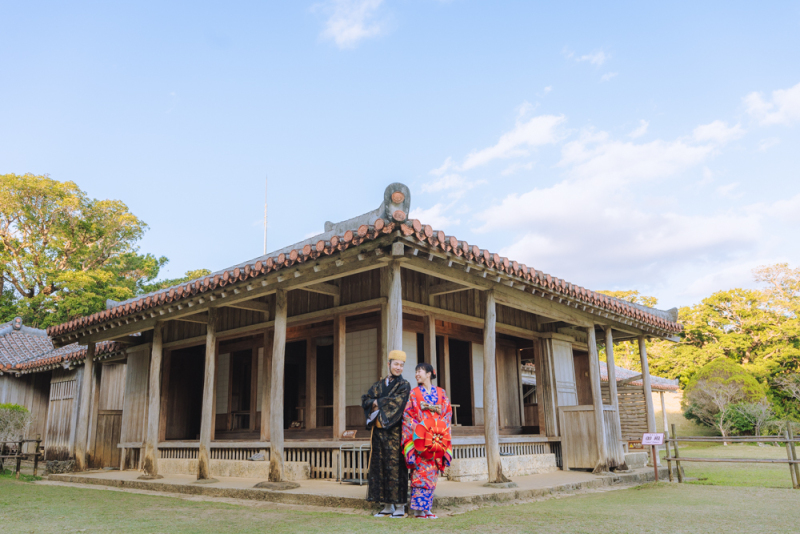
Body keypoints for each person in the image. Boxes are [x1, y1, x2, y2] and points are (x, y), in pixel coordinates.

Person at [361, 349, 411, 518]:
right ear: (389, 364)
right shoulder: (378, 385)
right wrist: (376, 402)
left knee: (396, 468)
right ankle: (387, 505)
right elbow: (366, 399)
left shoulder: (404, 385)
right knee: (380, 467)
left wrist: (377, 402)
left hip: (395, 433)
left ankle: (400, 506)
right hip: (378, 433)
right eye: (396, 364)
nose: (398, 367)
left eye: (401, 365)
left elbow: (397, 403)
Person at [402, 362, 452, 519]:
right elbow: (408, 415)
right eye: (416, 371)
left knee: (432, 474)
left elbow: (447, 413)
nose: (417, 374)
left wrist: (439, 429)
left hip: (436, 439)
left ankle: (427, 508)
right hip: (420, 439)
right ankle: (418, 510)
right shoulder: (414, 393)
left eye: (420, 371)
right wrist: (419, 429)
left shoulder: (441, 393)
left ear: (429, 374)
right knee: (419, 473)